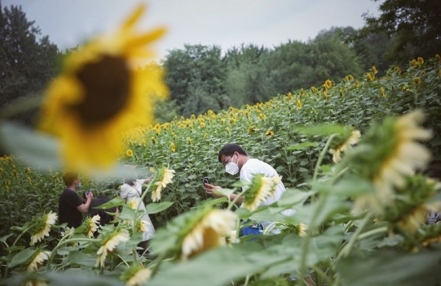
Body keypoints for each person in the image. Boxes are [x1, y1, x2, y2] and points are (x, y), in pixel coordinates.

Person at [204, 143, 291, 231]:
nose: (226, 167)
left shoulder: (247, 169)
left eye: (226, 162)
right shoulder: (256, 164)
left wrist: (223, 193)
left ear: (236, 155)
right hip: (285, 217)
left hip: (276, 223)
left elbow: (249, 200)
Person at [120, 176, 155, 253]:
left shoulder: (137, 182)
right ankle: (135, 251)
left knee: (145, 226)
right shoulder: (124, 187)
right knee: (134, 228)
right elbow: (122, 200)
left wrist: (153, 177)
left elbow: (147, 180)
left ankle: (146, 249)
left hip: (141, 207)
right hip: (132, 208)